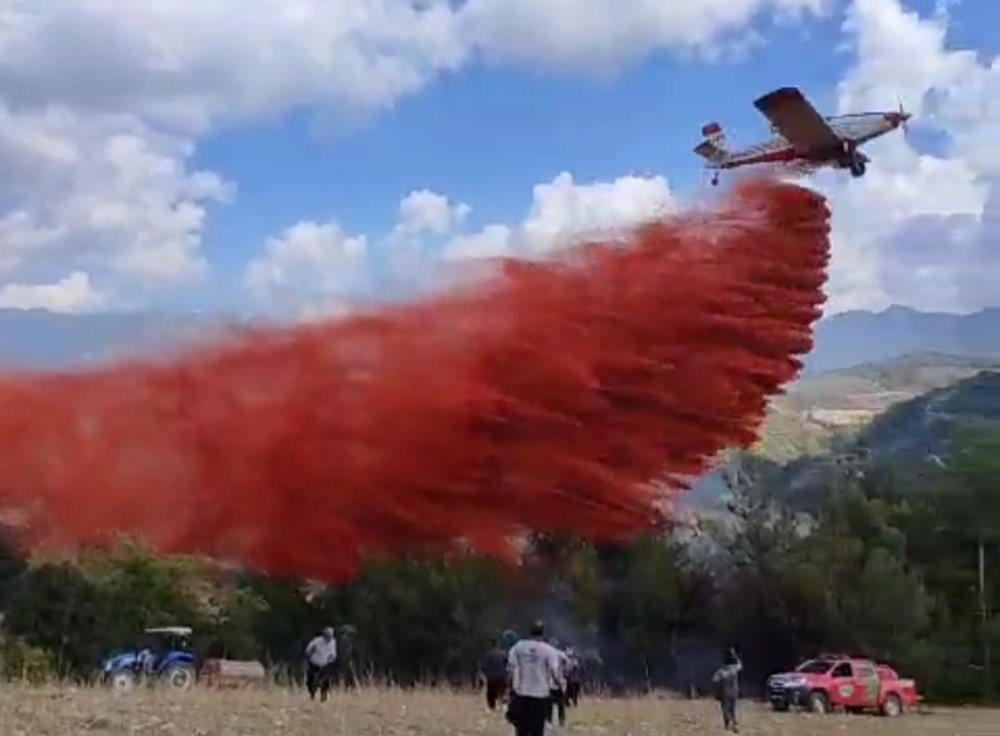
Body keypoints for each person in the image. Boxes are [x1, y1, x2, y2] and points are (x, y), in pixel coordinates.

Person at [507, 621, 563, 736]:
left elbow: (511, 670)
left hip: (522, 693)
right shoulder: (549, 650)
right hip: (540, 695)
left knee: (521, 729)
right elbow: (554, 673)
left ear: (530, 631)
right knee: (537, 729)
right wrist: (560, 686)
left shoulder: (518, 647)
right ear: (543, 632)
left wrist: (509, 688)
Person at [711, 647, 742, 733]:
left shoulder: (721, 671)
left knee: (725, 709)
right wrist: (736, 655)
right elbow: (740, 664)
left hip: (725, 692)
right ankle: (734, 723)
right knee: (733, 709)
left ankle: (728, 724)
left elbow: (714, 680)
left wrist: (716, 691)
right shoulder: (734, 669)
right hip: (734, 692)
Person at [304, 626, 338, 702]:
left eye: (331, 636)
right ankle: (312, 695)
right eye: (328, 636)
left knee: (326, 681)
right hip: (314, 663)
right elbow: (308, 650)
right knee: (310, 681)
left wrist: (331, 659)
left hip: (325, 664)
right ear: (324, 635)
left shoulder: (333, 642)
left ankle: (323, 697)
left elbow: (333, 653)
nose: (329, 638)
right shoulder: (317, 641)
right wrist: (308, 657)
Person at [481, 637, 509, 711]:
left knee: (491, 693)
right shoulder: (503, 653)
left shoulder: (488, 654)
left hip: (492, 677)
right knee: (502, 692)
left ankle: (492, 707)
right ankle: (503, 706)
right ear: (498, 644)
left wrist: (486, 675)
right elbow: (508, 665)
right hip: (502, 676)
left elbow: (484, 667)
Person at [546, 639, 568, 727]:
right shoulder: (561, 654)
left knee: (549, 704)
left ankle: (549, 721)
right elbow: (568, 665)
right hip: (559, 681)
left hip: (548, 682)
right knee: (561, 704)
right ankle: (561, 721)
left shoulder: (546, 653)